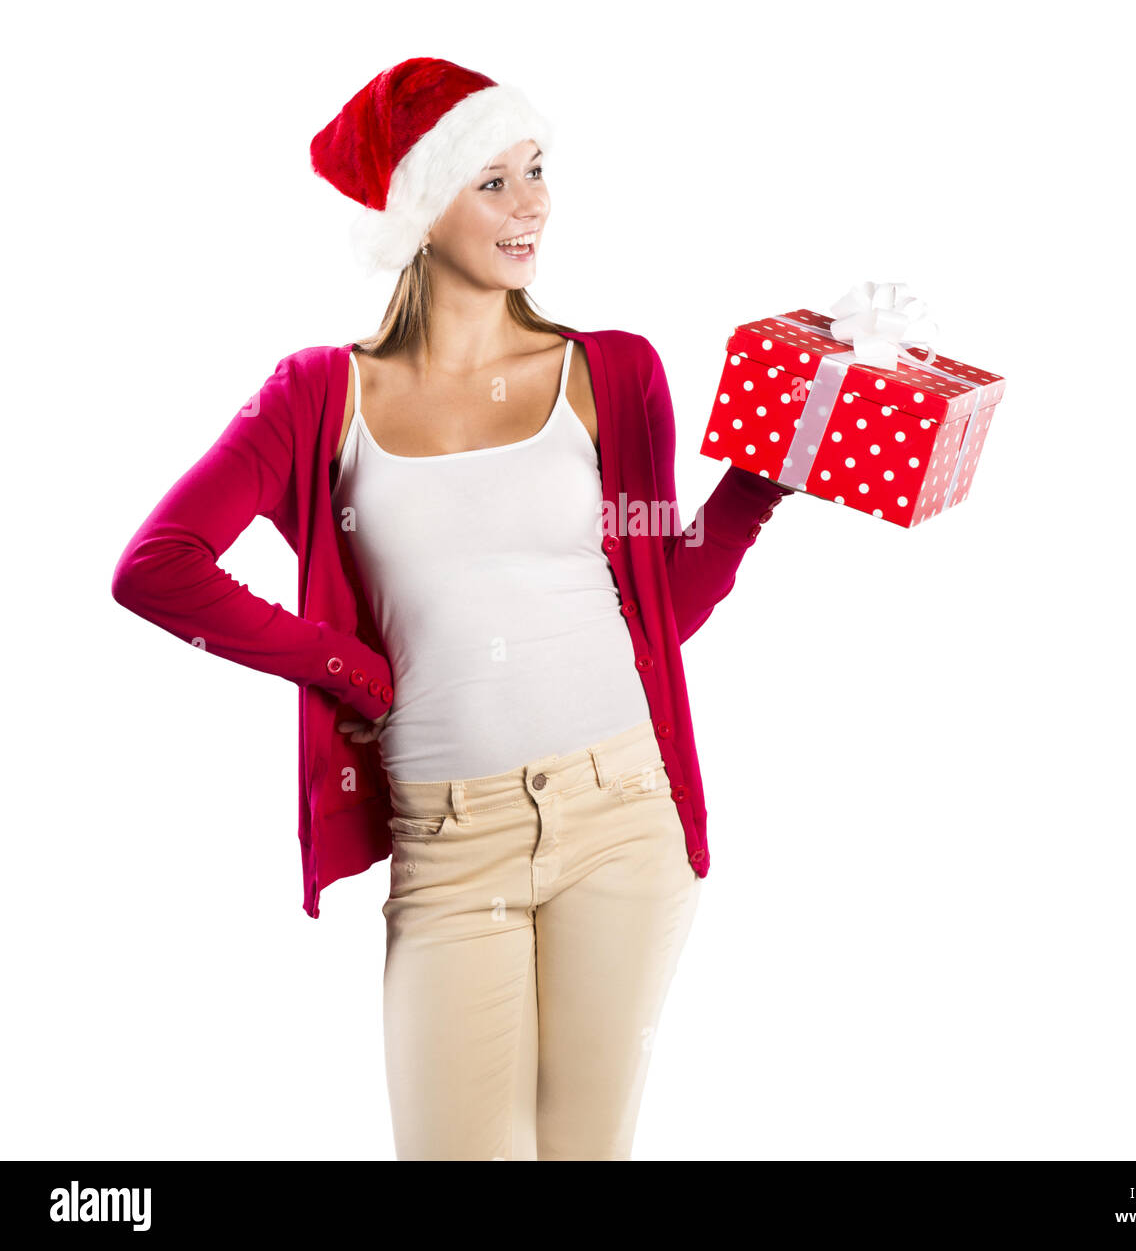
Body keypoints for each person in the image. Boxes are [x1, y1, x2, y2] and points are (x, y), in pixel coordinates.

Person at [112, 57, 792, 1160]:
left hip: (622, 810)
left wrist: (762, 483)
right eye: (492, 182)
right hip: (450, 840)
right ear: (418, 212)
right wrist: (348, 668)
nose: (533, 207)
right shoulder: (316, 396)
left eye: (536, 170)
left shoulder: (611, 372)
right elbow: (158, 565)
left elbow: (663, 601)